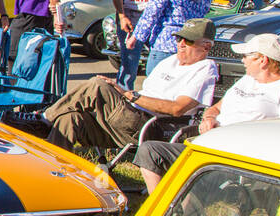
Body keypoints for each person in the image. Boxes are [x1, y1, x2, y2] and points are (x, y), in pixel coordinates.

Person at [136, 32, 280, 192]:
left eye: (246, 56)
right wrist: (209, 117)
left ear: (263, 60)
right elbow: (216, 107)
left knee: (184, 173)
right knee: (149, 150)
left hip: (236, 154)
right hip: (209, 143)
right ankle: (167, 207)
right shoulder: (246, 80)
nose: (242, 60)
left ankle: (180, 208)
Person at [44, 19, 218, 152]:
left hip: (149, 126)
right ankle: (49, 167)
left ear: (206, 47)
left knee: (98, 85)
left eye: (188, 41)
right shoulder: (170, 61)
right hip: (128, 117)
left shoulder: (205, 69)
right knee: (70, 118)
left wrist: (130, 95)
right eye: (179, 38)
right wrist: (124, 93)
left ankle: (43, 119)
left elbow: (177, 109)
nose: (180, 44)